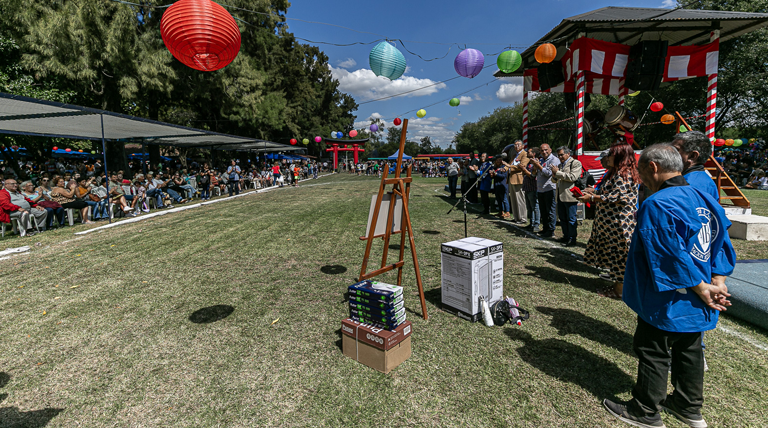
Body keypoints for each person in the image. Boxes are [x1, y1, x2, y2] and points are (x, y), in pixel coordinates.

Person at [602, 144, 735, 428]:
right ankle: (688, 406)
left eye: (640, 171)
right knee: (689, 349)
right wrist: (717, 280)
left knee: (653, 348)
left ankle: (645, 410)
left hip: (668, 294)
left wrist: (701, 286)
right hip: (699, 293)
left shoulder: (658, 203)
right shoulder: (703, 196)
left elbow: (668, 254)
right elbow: (722, 240)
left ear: (653, 167)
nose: (639, 179)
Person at [579, 144, 639, 298]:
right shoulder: (615, 172)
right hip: (610, 223)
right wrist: (594, 191)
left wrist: (592, 198)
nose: (607, 158)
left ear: (620, 156)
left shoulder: (624, 174)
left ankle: (620, 291)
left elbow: (617, 197)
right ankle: (617, 285)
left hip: (619, 223)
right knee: (614, 255)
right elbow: (609, 192)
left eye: (611, 154)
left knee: (620, 256)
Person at [670, 130, 719, 200]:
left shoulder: (685, 186)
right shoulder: (707, 181)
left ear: (692, 156)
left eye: (675, 150)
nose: (668, 153)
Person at [551, 146, 582, 246]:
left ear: (568, 154)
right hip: (560, 195)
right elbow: (554, 180)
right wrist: (554, 175)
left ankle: (572, 239)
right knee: (563, 218)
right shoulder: (560, 165)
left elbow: (573, 177)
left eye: (561, 155)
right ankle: (566, 236)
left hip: (570, 195)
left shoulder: (575, 163)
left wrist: (558, 173)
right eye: (558, 155)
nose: (560, 157)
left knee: (571, 219)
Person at [531, 144, 560, 238]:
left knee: (550, 211)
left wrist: (538, 165)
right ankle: (545, 228)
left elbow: (548, 173)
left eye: (546, 150)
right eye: (542, 150)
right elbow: (533, 174)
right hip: (540, 189)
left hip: (549, 188)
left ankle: (551, 230)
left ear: (550, 150)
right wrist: (535, 166)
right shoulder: (541, 160)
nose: (544, 152)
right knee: (543, 211)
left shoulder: (554, 160)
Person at [505, 140, 529, 224]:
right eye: (515, 145)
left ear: (523, 146)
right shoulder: (514, 155)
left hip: (519, 179)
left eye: (518, 144)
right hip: (511, 178)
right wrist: (504, 168)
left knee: (520, 199)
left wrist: (509, 166)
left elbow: (522, 166)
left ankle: (523, 218)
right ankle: (516, 217)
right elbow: (509, 164)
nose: (516, 146)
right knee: (513, 199)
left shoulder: (525, 154)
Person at [522, 147, 540, 232]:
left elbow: (533, 175)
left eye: (528, 152)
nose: (527, 153)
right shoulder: (529, 162)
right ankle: (531, 223)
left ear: (533, 154)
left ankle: (536, 224)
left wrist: (524, 170)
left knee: (535, 207)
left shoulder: (536, 163)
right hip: (527, 187)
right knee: (529, 207)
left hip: (533, 188)